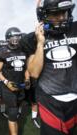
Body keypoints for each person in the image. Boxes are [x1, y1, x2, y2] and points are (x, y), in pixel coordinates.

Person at [20, 0, 77, 134]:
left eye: (64, 12)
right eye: (56, 14)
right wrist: (40, 43)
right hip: (49, 100)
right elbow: (34, 72)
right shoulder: (31, 39)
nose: (62, 17)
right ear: (43, 16)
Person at [0, 27, 30, 135]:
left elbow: (26, 68)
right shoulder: (3, 52)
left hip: (21, 85)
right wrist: (6, 82)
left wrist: (27, 79)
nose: (15, 39)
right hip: (8, 87)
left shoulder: (24, 50)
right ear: (7, 38)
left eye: (17, 36)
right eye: (12, 36)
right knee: (13, 112)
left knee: (19, 105)